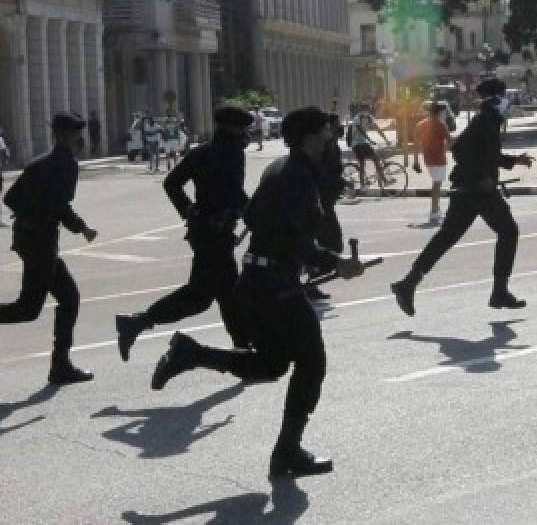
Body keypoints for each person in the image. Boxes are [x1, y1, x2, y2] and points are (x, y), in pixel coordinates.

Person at [149, 107, 364, 477]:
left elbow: (253, 219)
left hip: (255, 278)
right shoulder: (296, 177)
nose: (331, 138)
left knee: (271, 363)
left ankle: (191, 353)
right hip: (276, 284)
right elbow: (295, 240)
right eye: (326, 133)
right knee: (312, 363)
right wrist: (336, 262)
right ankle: (287, 452)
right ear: (311, 137)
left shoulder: (278, 168)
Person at [115, 107, 255, 361]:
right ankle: (137, 322)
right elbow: (234, 192)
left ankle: (243, 348)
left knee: (229, 294)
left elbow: (172, 183)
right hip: (215, 234)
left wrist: (189, 210)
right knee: (199, 297)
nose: (246, 134)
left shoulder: (201, 152)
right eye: (243, 129)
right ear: (232, 129)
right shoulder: (232, 153)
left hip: (204, 231)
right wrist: (254, 214)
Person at [390, 77, 534, 315]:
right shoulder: (487, 121)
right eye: (504, 97)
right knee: (509, 231)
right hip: (479, 190)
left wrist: (513, 161)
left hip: (467, 188)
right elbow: (469, 153)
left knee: (446, 237)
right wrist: (480, 177)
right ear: (497, 100)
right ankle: (500, 291)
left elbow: (468, 151)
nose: (507, 102)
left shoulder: (484, 120)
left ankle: (408, 283)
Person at [0, 112, 98, 384]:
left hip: (26, 238)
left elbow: (10, 198)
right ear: (68, 135)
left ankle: (61, 365)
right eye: (78, 134)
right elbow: (59, 205)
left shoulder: (36, 163)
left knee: (68, 297)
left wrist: (30, 213)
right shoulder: (65, 164)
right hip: (41, 242)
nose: (81, 139)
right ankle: (60, 367)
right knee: (27, 309)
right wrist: (82, 228)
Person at [306, 111, 347, 302]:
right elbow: (323, 174)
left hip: (326, 201)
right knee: (331, 243)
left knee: (327, 242)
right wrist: (337, 182)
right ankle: (310, 281)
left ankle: (312, 280)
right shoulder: (324, 149)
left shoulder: (331, 146)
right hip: (321, 203)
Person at [414, 101, 455, 225]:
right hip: (439, 158)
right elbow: (449, 141)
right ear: (438, 112)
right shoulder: (440, 124)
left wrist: (416, 161)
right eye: (443, 111)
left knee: (436, 183)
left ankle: (436, 210)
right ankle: (434, 212)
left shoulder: (420, 124)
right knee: (437, 185)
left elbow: (416, 143)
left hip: (427, 158)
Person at [348, 103, 392, 191]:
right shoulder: (357, 118)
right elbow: (360, 131)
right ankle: (363, 184)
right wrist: (370, 140)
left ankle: (384, 180)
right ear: (362, 110)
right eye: (366, 110)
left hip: (364, 143)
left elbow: (377, 128)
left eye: (368, 110)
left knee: (376, 159)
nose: (367, 112)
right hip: (356, 144)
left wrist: (385, 139)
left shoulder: (369, 118)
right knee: (362, 163)